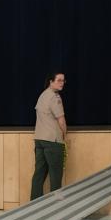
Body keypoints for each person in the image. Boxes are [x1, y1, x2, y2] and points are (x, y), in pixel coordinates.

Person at [30, 72, 67, 200]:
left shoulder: (42, 95)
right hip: (52, 141)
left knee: (39, 174)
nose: (62, 83)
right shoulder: (54, 97)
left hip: (39, 140)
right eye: (59, 80)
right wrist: (64, 134)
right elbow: (61, 120)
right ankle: (55, 207)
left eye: (63, 80)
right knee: (56, 175)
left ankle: (34, 204)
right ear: (51, 81)